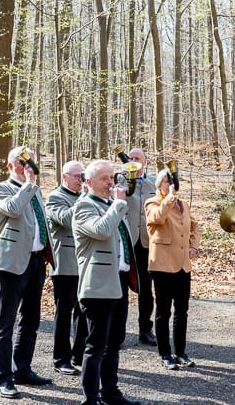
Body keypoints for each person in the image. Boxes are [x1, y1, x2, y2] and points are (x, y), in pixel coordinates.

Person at [0, 145, 54, 399]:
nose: (28, 166)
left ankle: (22, 369)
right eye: (22, 161)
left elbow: (39, 223)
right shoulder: (0, 189)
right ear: (9, 166)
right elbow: (13, 209)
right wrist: (28, 184)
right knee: (6, 324)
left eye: (31, 161)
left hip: (36, 262)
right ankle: (3, 377)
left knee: (31, 320)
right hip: (11, 263)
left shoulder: (35, 191)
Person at [73, 160, 141, 405]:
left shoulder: (112, 205)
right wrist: (119, 205)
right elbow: (101, 230)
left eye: (111, 177)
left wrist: (120, 205)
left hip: (118, 281)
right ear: (88, 182)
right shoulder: (83, 206)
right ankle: (90, 398)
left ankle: (110, 392)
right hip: (98, 285)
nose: (110, 182)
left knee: (114, 343)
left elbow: (127, 238)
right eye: (104, 178)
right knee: (96, 345)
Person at [145, 167, 201, 370]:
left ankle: (181, 352)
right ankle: (165, 354)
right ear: (159, 185)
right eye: (167, 182)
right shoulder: (152, 203)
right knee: (163, 312)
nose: (172, 185)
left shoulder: (183, 204)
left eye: (174, 181)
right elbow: (157, 218)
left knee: (182, 311)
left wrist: (194, 245)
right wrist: (169, 198)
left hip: (183, 266)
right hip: (162, 266)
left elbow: (195, 227)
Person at [46, 159, 88, 375]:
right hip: (64, 264)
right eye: (76, 176)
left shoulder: (85, 197)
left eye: (83, 175)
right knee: (64, 313)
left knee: (83, 311)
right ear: (64, 177)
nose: (81, 179)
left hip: (85, 264)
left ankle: (79, 354)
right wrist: (85, 197)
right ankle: (61, 359)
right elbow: (66, 219)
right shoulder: (55, 197)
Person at [119, 147, 157, 346]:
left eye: (137, 158)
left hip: (146, 242)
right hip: (125, 241)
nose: (133, 160)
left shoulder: (154, 183)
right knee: (120, 288)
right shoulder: (119, 181)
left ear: (145, 162)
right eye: (131, 158)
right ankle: (118, 332)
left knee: (145, 287)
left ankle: (145, 330)